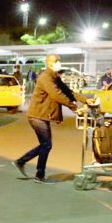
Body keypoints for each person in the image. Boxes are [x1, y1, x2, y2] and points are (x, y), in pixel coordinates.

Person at [13, 54, 85, 184]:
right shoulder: (46, 78)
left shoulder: (54, 77)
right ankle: (37, 174)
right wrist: (74, 108)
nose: (59, 63)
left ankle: (22, 163)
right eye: (56, 61)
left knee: (45, 145)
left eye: (59, 60)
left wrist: (86, 100)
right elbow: (56, 95)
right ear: (49, 63)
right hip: (37, 116)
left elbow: (68, 92)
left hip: (42, 115)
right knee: (46, 145)